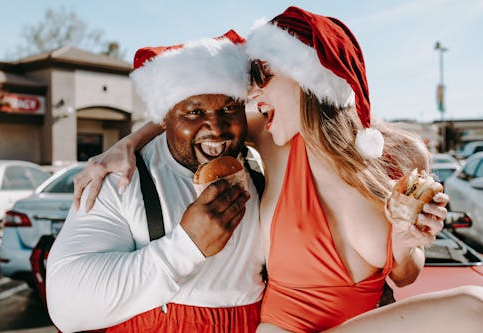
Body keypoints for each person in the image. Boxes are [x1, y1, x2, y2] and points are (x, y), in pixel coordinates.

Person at [71, 7, 482, 333]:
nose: (252, 91)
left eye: (262, 75)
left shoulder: (399, 155)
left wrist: (408, 239)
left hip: (361, 325)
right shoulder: (273, 138)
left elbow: (407, 274)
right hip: (283, 328)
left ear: (308, 77)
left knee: (473, 308)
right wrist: (125, 144)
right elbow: (192, 112)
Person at [46, 30, 266, 333]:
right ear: (164, 117)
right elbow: (66, 305)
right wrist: (186, 247)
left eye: (229, 108)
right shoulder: (121, 177)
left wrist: (133, 137)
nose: (216, 129)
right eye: (194, 112)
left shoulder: (262, 164)